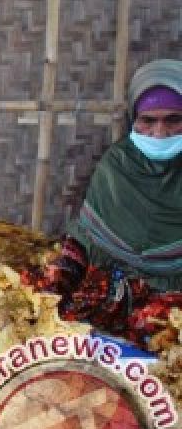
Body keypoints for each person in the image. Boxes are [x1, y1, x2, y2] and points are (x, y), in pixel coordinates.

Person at [25, 58, 182, 348]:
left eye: (173, 120)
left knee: (161, 339)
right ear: (133, 120)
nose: (160, 133)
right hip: (111, 288)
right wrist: (56, 283)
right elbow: (87, 238)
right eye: (148, 120)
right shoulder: (117, 164)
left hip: (172, 301)